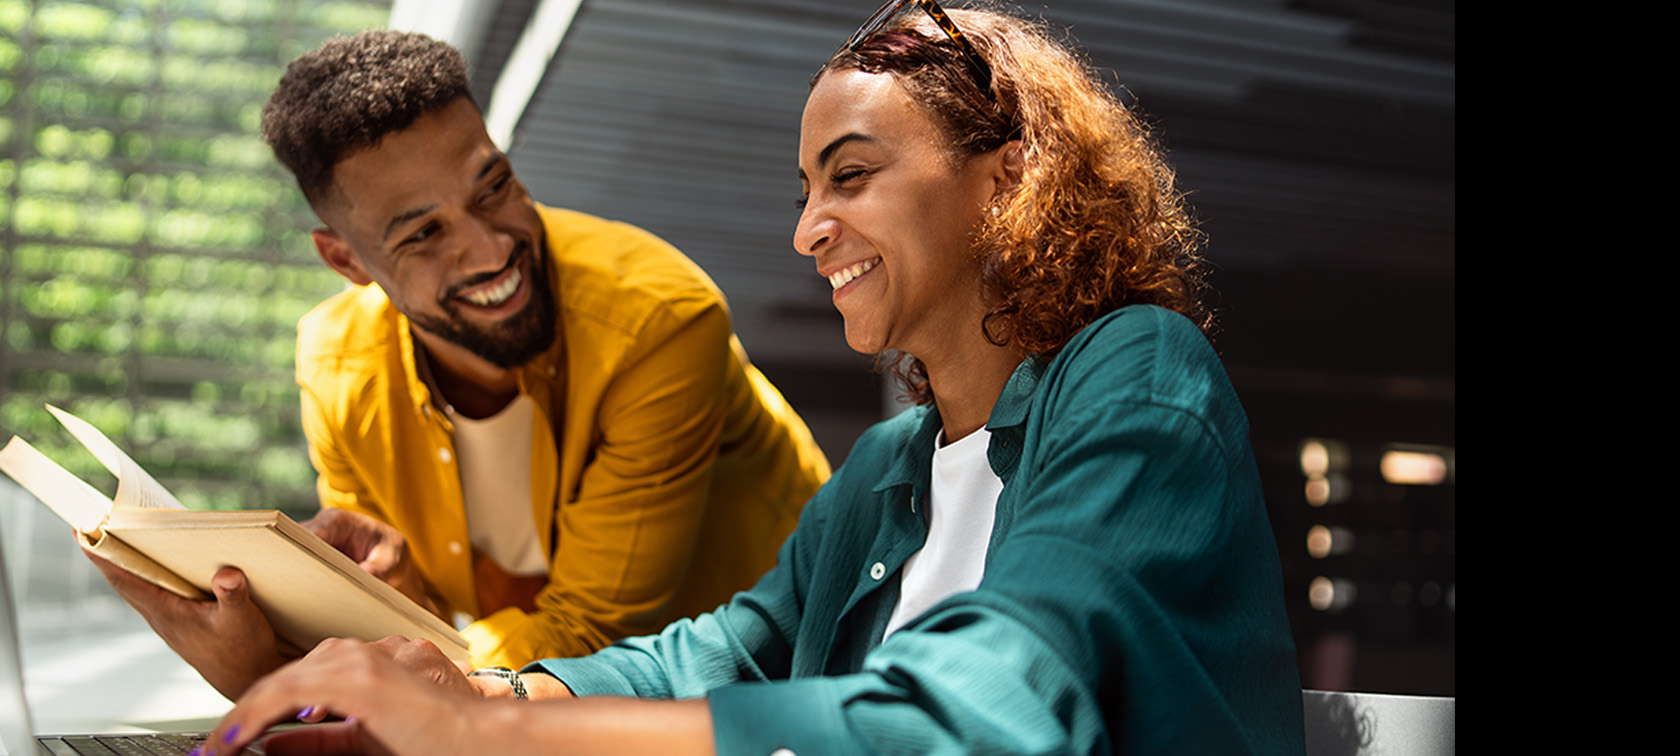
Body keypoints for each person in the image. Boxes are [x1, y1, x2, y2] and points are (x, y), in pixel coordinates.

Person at [196, 4, 1304, 754]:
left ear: (1006, 177)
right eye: (804, 192)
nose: (810, 231)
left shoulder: (1137, 373)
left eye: (852, 176)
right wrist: (491, 692)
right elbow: (723, 646)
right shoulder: (886, 468)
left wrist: (498, 732)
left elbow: (976, 709)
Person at [81, 30, 832, 701]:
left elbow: (594, 630)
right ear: (345, 259)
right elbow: (437, 643)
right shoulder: (339, 367)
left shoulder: (658, 321)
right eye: (423, 234)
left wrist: (289, 675)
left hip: (790, 675)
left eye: (494, 186)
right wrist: (382, 597)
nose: (490, 248)